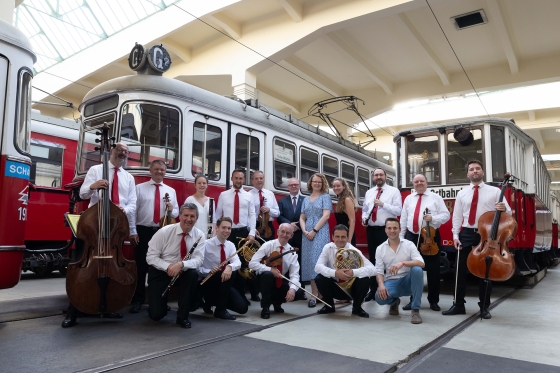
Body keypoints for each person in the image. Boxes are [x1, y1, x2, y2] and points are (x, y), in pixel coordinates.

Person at [62, 142, 137, 328]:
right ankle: (74, 309)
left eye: (126, 152)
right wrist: (94, 186)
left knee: (111, 265)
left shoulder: (128, 177)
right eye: (119, 150)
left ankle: (107, 305)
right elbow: (83, 194)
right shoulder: (96, 169)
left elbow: (133, 204)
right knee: (82, 263)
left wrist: (124, 209)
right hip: (94, 226)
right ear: (111, 151)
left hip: (115, 225)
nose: (123, 153)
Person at [442, 160, 511, 319]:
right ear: (467, 174)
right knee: (459, 271)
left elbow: (509, 213)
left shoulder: (495, 191)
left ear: (482, 172)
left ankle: (484, 307)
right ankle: (458, 304)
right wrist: (455, 236)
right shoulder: (462, 193)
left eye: (477, 169)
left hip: (486, 235)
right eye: (471, 169)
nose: (475, 171)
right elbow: (457, 216)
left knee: (485, 272)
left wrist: (504, 209)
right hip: (466, 233)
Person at [128, 160, 179, 314]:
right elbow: (132, 211)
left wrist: (172, 209)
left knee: (160, 268)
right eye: (156, 169)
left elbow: (176, 213)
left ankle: (158, 301)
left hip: (163, 231)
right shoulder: (139, 188)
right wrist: (132, 231)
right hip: (143, 230)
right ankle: (138, 300)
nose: (159, 172)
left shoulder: (171, 191)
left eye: (162, 170)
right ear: (150, 170)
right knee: (141, 267)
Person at [146, 203, 206, 329]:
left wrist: (181, 264)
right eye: (186, 215)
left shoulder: (199, 235)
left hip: (183, 271)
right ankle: (159, 306)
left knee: (192, 275)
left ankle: (182, 316)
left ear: (197, 218)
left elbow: (199, 259)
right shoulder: (164, 232)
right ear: (179, 216)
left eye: (192, 216)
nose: (188, 219)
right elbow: (150, 257)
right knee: (156, 315)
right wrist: (168, 267)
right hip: (161, 271)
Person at [399, 174, 450, 312]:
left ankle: (433, 301)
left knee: (433, 271)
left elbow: (446, 215)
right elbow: (404, 219)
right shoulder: (409, 199)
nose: (419, 183)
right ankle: (413, 300)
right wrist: (401, 237)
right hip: (412, 236)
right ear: (413, 184)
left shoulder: (435, 198)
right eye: (416, 182)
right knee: (412, 270)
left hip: (430, 237)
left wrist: (433, 218)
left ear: (426, 183)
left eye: (422, 181)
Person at [214, 170, 257, 303]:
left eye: (241, 178)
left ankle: (241, 295)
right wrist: (216, 232)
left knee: (243, 265)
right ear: (231, 178)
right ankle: (226, 295)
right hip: (228, 232)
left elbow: (252, 214)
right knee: (226, 262)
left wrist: (252, 233)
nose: (238, 181)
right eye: (236, 178)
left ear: (244, 180)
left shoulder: (249, 196)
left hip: (243, 233)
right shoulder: (223, 195)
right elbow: (217, 214)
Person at [314, 224, 375, 318]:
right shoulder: (328, 248)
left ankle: (357, 308)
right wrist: (335, 273)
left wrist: (353, 272)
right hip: (335, 287)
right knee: (319, 278)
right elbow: (317, 267)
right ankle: (329, 306)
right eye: (337, 236)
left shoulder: (354, 250)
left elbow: (373, 269)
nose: (340, 239)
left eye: (343, 237)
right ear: (332, 237)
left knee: (365, 280)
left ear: (348, 238)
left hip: (352, 289)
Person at [374, 218, 425, 324]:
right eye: (389, 228)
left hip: (408, 281)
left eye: (395, 228)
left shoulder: (409, 244)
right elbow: (379, 270)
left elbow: (421, 263)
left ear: (400, 229)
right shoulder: (380, 249)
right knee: (379, 298)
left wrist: (403, 263)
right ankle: (394, 302)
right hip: (392, 281)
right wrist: (381, 285)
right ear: (385, 230)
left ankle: (415, 310)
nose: (392, 231)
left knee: (417, 270)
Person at [362, 167, 401, 301]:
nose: (378, 177)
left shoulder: (393, 191)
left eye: (381, 175)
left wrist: (383, 204)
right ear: (373, 178)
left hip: (387, 231)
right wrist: (364, 218)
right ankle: (373, 290)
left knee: (389, 260)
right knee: (373, 260)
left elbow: (398, 210)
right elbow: (365, 209)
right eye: (376, 175)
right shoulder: (369, 192)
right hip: (371, 230)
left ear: (385, 177)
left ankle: (391, 290)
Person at [198, 216, 248, 320]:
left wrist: (229, 266)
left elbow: (237, 262)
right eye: (224, 227)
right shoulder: (206, 245)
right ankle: (220, 310)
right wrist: (209, 271)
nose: (227, 231)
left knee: (243, 308)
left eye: (229, 228)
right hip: (207, 282)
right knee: (228, 274)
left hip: (223, 282)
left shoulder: (230, 245)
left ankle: (212, 302)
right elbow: (197, 268)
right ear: (216, 228)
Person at [249, 223, 301, 319]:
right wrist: (270, 269)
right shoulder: (268, 245)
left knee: (299, 292)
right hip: (262, 281)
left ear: (291, 235)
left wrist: (292, 289)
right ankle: (265, 307)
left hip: (279, 281)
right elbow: (252, 264)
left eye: (288, 233)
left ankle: (277, 303)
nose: (285, 235)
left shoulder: (292, 252)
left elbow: (295, 275)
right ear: (277, 232)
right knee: (268, 275)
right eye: (282, 231)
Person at [300, 173, 332, 307]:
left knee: (318, 260)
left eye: (319, 182)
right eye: (314, 181)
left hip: (320, 232)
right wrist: (305, 231)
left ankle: (322, 293)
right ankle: (313, 294)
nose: (317, 184)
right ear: (311, 183)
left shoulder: (325, 197)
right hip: (307, 234)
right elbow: (302, 217)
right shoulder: (306, 199)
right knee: (310, 262)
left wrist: (314, 231)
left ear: (323, 183)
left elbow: (326, 216)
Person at [277, 178, 305, 281]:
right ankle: (286, 285)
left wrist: (297, 225)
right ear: (288, 187)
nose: (294, 186)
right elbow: (279, 216)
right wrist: (290, 225)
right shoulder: (282, 201)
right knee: (285, 260)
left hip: (300, 236)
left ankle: (299, 287)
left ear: (299, 186)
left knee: (299, 261)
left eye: (296, 185)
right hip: (286, 237)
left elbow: (307, 216)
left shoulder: (305, 200)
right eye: (291, 185)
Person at [250, 171, 279, 241]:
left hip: (269, 227)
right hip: (255, 226)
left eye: (261, 178)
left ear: (264, 180)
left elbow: (277, 213)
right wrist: (251, 229)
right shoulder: (248, 194)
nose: (259, 180)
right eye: (256, 178)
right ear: (252, 181)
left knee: (269, 249)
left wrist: (269, 210)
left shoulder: (270, 194)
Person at [332, 177, 357, 246]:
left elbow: (352, 221)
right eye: (334, 186)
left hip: (345, 235)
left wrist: (349, 239)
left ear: (344, 186)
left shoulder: (347, 199)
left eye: (338, 186)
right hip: (341, 235)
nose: (335, 188)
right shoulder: (341, 199)